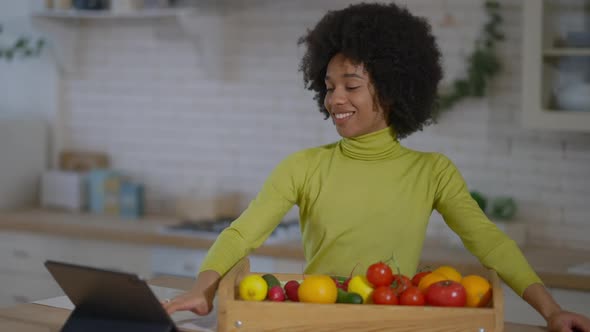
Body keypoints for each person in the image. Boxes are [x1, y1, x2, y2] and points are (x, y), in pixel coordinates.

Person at [164, 3, 590, 331]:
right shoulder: (304, 167)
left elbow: (491, 245)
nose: (335, 100)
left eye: (351, 86)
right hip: (318, 323)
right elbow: (242, 232)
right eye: (329, 87)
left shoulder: (432, 172)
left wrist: (551, 311)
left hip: (397, 321)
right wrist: (203, 289)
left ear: (392, 88)